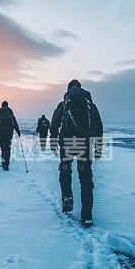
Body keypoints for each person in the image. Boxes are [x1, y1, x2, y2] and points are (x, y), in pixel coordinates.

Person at [50, 79, 103, 227]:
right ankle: (87, 216)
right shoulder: (90, 106)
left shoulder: (63, 105)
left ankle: (67, 201)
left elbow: (54, 125)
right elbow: (98, 126)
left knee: (65, 171)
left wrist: (53, 142)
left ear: (68, 90)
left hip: (67, 144)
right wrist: (98, 147)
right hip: (85, 145)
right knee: (85, 178)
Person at [0, 101, 21, 170]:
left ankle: (3, 162)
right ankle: (6, 164)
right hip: (9, 133)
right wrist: (18, 132)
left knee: (3, 148)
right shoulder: (11, 115)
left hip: (1, 133)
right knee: (7, 148)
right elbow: (15, 124)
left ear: (2, 105)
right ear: (7, 106)